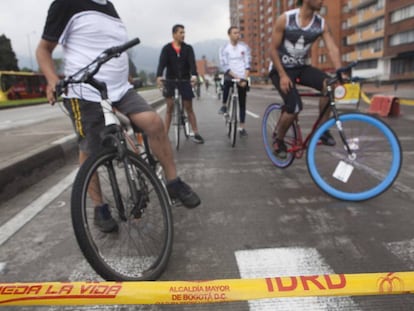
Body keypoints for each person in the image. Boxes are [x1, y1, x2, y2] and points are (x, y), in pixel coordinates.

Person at [36, 0, 201, 233]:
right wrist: (53, 80)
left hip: (120, 90)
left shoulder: (109, 6)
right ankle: (99, 207)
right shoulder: (66, 3)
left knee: (154, 123)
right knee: (90, 147)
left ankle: (173, 182)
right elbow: (43, 49)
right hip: (85, 90)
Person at [269, 0, 342, 158]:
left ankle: (322, 130)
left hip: (301, 68)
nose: (322, 1)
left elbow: (332, 48)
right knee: (294, 107)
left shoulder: (320, 24)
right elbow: (273, 50)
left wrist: (340, 71)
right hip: (280, 69)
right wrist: (282, 75)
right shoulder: (286, 19)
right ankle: (279, 140)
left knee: (329, 86)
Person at [156, 24, 204, 144]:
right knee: (169, 107)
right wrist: (159, 76)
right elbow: (161, 64)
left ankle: (196, 132)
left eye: (184, 32)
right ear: (174, 34)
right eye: (180, 32)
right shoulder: (166, 49)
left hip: (184, 80)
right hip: (171, 80)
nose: (183, 35)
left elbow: (192, 64)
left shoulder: (188, 48)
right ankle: (164, 136)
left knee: (189, 108)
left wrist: (194, 76)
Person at [218, 26, 251, 137]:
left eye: (238, 32)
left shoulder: (244, 47)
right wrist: (237, 78)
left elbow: (247, 64)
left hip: (242, 77)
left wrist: (245, 78)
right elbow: (225, 66)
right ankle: (224, 105)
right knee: (227, 83)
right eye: (235, 33)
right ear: (229, 35)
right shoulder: (224, 48)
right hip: (231, 75)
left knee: (242, 102)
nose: (238, 34)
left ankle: (242, 127)